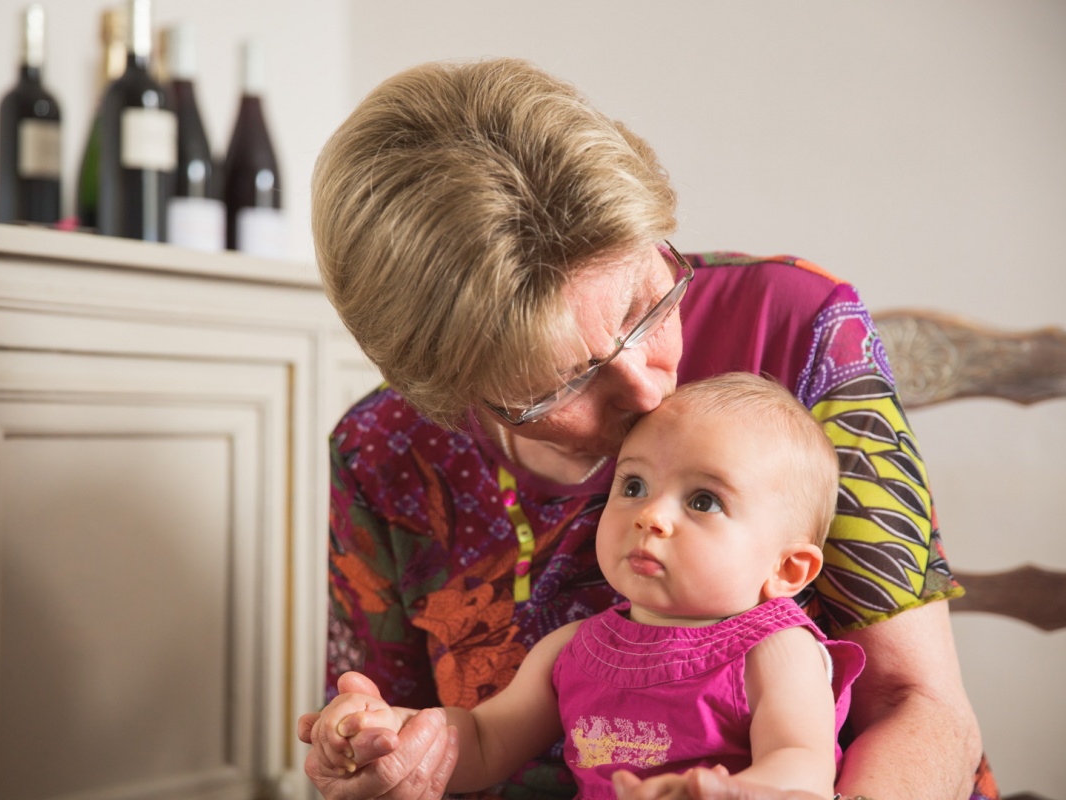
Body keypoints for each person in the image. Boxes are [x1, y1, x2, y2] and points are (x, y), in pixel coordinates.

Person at [298, 57, 989, 800]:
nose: (649, 382)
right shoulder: (381, 450)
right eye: (564, 379)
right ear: (454, 392)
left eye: (641, 307)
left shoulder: (797, 326)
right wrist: (384, 754)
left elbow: (920, 707)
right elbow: (438, 739)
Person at [308, 374, 867, 799]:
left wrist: (729, 792)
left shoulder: (776, 649)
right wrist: (395, 730)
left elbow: (804, 770)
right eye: (634, 484)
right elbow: (481, 739)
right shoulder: (573, 649)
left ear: (787, 571)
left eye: (703, 501)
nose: (650, 516)